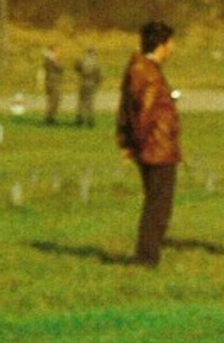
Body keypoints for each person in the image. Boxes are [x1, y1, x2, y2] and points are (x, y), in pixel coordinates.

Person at [116, 21, 182, 267]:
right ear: (162, 44)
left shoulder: (140, 69)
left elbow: (125, 110)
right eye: (171, 43)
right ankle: (146, 256)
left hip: (153, 146)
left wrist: (125, 140)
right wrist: (139, 143)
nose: (173, 48)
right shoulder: (149, 74)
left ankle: (147, 254)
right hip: (157, 148)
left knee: (156, 203)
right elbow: (144, 114)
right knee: (158, 206)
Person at [74, 47, 102, 128]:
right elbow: (99, 75)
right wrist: (97, 83)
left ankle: (81, 120)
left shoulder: (82, 61)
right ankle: (90, 120)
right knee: (90, 103)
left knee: (81, 102)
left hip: (82, 83)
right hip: (91, 84)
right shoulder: (95, 63)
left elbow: (76, 69)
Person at [41, 43, 64, 125]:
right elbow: (60, 68)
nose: (59, 52)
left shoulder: (51, 59)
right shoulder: (51, 60)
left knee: (55, 100)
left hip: (54, 82)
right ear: (53, 51)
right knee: (53, 101)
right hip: (52, 82)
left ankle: (51, 118)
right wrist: (54, 59)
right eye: (57, 50)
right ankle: (49, 119)